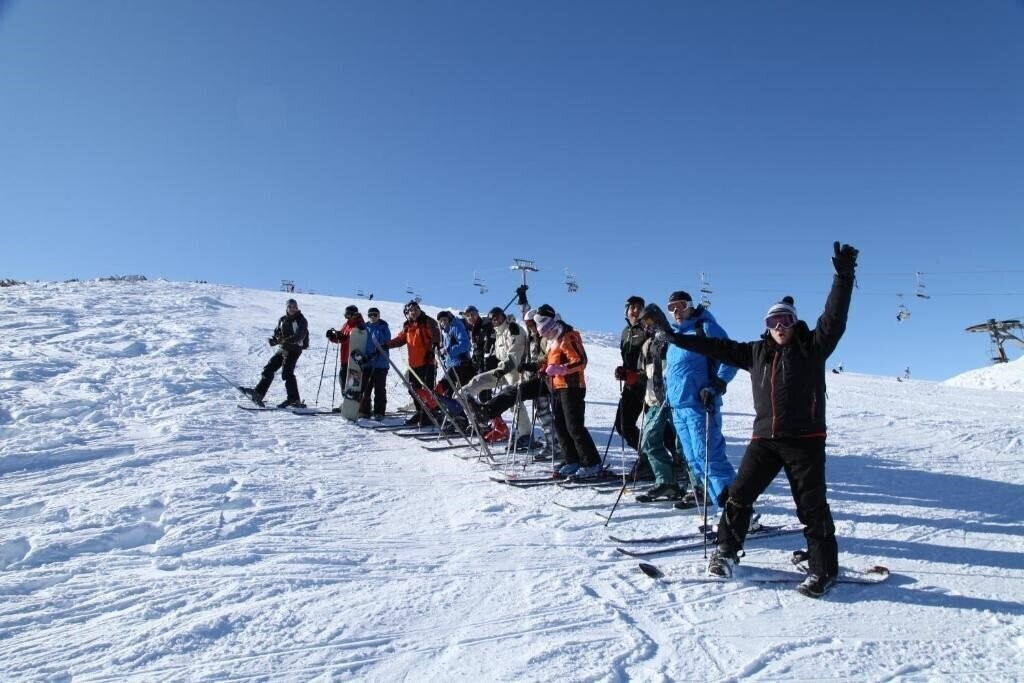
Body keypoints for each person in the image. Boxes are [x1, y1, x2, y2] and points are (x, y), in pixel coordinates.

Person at [642, 242, 859, 598]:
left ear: (794, 322)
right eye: (772, 322)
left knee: (811, 506)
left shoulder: (812, 348)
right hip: (766, 440)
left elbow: (834, 318)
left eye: (785, 320)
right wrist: (676, 337)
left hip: (804, 440)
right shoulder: (757, 352)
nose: (779, 326)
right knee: (738, 497)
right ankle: (726, 552)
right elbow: (716, 349)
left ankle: (823, 569)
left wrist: (843, 276)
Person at [657, 290, 738, 511]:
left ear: (691, 305)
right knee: (694, 461)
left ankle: (739, 515)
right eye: (671, 307)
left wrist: (717, 385)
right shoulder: (675, 336)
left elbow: (730, 357)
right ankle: (724, 509)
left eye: (681, 305)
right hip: (678, 407)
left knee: (710, 459)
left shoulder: (705, 328)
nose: (676, 311)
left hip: (700, 406)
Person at [534, 305, 601, 478]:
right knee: (561, 426)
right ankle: (572, 459)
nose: (546, 336)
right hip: (557, 387)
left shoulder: (569, 336)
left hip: (572, 387)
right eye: (543, 333)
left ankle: (591, 462)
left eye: (547, 331)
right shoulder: (554, 341)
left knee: (574, 426)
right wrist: (545, 369)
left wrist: (560, 369)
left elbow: (581, 361)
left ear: (553, 325)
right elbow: (551, 363)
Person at [635, 330, 692, 502]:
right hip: (655, 402)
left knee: (685, 445)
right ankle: (667, 483)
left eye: (654, 321)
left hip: (677, 402)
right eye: (647, 323)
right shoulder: (647, 345)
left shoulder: (674, 340)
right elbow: (643, 372)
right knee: (648, 441)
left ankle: (698, 486)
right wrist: (630, 376)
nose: (650, 326)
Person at [462, 307, 532, 444]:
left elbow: (514, 355)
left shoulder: (513, 329)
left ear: (503, 316)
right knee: (478, 381)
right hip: (503, 370)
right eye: (493, 319)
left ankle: (526, 435)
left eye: (498, 317)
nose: (495, 321)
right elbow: (497, 355)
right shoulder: (498, 333)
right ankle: (465, 402)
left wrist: (502, 369)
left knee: (514, 401)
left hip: (516, 371)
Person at [241, 298, 309, 408]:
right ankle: (258, 393)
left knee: (287, 372)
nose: (292, 309)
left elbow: (300, 335)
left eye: (294, 306)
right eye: (290, 306)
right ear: (287, 308)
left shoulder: (301, 320)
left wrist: (285, 340)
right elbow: (277, 333)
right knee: (269, 368)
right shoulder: (282, 320)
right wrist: (274, 340)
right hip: (283, 348)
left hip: (295, 349)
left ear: (297, 308)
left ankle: (294, 400)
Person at [386, 301, 441, 426]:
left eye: (416, 309)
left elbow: (436, 336)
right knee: (413, 390)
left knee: (427, 391)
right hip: (414, 364)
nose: (414, 312)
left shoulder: (427, 321)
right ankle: (421, 413)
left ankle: (430, 415)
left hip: (427, 362)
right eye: (411, 310)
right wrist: (386, 345)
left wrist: (432, 351)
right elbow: (400, 339)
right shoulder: (408, 326)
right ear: (407, 313)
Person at [326, 305, 366, 410]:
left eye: (348, 314)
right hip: (344, 358)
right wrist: (333, 337)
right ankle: (347, 403)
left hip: (354, 359)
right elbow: (341, 339)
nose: (347, 317)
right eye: (346, 314)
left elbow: (356, 339)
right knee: (343, 380)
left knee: (353, 382)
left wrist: (344, 338)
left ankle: (358, 405)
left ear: (354, 314)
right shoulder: (346, 324)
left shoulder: (360, 325)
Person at [358, 307, 391, 419]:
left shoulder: (383, 328)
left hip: (380, 363)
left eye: (375, 315)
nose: (373, 317)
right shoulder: (365, 327)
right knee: (366, 387)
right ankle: (365, 411)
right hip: (367, 362)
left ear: (379, 316)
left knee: (379, 388)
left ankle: (379, 412)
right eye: (370, 315)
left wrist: (378, 350)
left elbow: (387, 341)